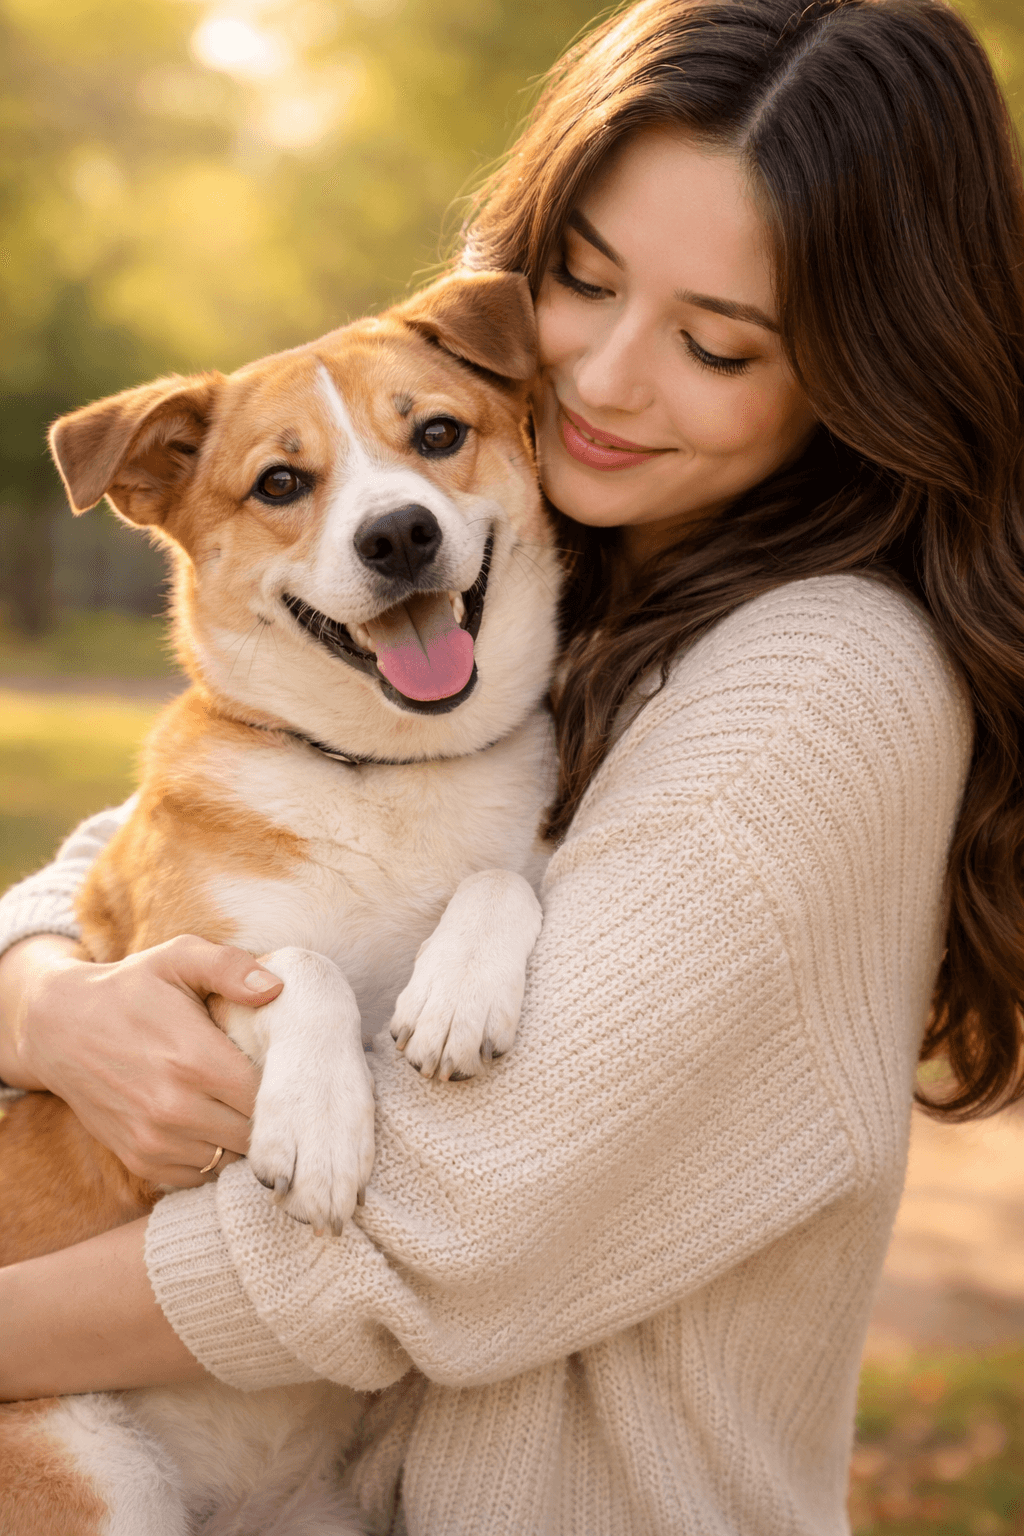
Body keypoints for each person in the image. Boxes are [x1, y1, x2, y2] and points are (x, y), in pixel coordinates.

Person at [1, 0, 1022, 1529]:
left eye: (714, 341)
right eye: (585, 284)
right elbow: (122, 858)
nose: (604, 381)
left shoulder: (817, 686)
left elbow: (425, 1228)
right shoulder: (556, 568)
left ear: (864, 361)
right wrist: (47, 1000)